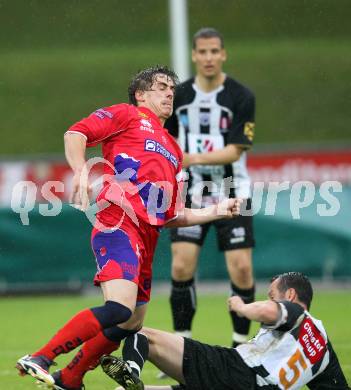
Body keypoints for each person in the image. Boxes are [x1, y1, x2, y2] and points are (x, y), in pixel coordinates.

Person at [16, 65, 243, 390]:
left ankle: (70, 378)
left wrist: (216, 210)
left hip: (147, 238)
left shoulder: (174, 150)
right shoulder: (127, 115)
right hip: (118, 222)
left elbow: (173, 214)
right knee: (119, 308)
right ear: (140, 94)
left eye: (171, 89)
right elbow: (75, 134)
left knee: (131, 321)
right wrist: (80, 170)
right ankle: (41, 357)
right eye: (161, 86)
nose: (169, 93)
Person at [164, 27, 256, 351]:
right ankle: (183, 344)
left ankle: (241, 346)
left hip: (233, 189)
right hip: (190, 190)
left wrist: (191, 157)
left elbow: (235, 150)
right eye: (202, 52)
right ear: (193, 55)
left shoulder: (241, 96)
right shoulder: (179, 96)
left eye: (214, 51)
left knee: (242, 269)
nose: (208, 58)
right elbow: (167, 139)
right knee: (180, 265)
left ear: (223, 54)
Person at [101, 272, 350, 390]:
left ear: (291, 295)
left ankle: (132, 370)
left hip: (235, 371)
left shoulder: (296, 314)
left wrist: (242, 306)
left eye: (272, 295)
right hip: (254, 385)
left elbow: (270, 311)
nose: (269, 299)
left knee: (142, 334)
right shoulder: (323, 348)